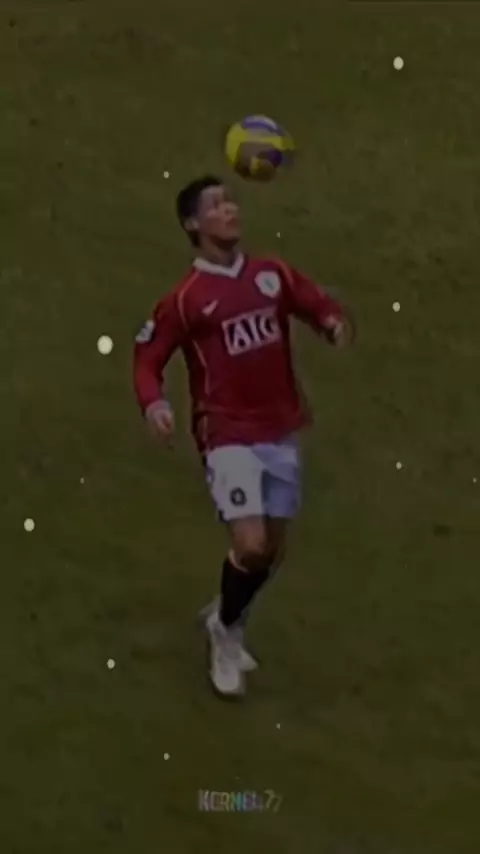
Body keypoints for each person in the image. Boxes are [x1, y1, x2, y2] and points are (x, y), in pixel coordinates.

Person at [133, 175, 354, 698]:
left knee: (270, 552)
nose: (230, 210)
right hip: (226, 432)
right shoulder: (187, 299)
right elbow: (147, 358)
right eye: (216, 205)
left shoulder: (271, 274)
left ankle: (225, 612)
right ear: (193, 223)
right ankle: (227, 635)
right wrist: (155, 403)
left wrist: (332, 323)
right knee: (250, 544)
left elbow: (314, 302)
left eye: (231, 201)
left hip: (279, 428)